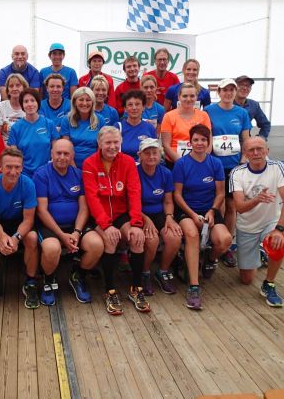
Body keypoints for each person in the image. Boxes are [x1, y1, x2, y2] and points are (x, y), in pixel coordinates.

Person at [83, 126, 147, 315]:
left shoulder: (128, 161)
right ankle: (109, 290)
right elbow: (92, 198)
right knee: (110, 239)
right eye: (108, 142)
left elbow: (134, 192)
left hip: (120, 213)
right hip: (98, 215)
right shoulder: (89, 163)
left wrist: (136, 223)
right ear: (99, 143)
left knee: (137, 238)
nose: (112, 146)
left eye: (116, 142)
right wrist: (106, 225)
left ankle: (136, 288)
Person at [34, 139, 104, 305]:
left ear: (72, 155)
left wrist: (77, 232)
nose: (62, 157)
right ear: (51, 154)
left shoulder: (79, 175)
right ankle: (48, 280)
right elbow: (42, 210)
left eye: (66, 153)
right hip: (50, 226)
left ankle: (78, 275)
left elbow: (84, 208)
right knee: (52, 248)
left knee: (96, 245)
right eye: (58, 153)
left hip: (75, 225)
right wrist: (61, 235)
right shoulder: (41, 174)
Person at [173, 124, 232, 311]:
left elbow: (220, 193)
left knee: (225, 239)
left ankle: (211, 260)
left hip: (209, 210)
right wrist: (192, 214)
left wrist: (212, 211)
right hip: (186, 210)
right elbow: (177, 195)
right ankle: (194, 286)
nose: (199, 143)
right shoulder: (181, 164)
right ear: (190, 142)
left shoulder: (215, 163)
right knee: (192, 234)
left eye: (203, 140)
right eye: (196, 140)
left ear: (208, 142)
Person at [230, 136, 284, 307]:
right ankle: (263, 253)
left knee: (280, 240)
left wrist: (279, 229)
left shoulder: (277, 167)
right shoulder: (237, 173)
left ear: (267, 151)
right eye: (251, 150)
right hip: (247, 227)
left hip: (270, 223)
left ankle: (269, 283)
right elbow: (240, 208)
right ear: (245, 153)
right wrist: (257, 199)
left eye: (260, 149)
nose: (256, 153)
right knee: (246, 279)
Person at [0, 148, 39, 315]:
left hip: (19, 222)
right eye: (8, 167)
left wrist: (16, 238)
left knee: (32, 237)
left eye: (17, 167)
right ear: (0, 167)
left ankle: (30, 282)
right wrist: (3, 236)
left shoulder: (28, 184)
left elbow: (28, 220)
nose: (13, 171)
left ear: (22, 167)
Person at [206, 78, 252, 267]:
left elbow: (246, 139)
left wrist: (243, 160)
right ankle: (216, 241)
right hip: (215, 166)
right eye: (225, 90)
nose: (228, 93)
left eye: (232, 90)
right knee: (220, 205)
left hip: (234, 166)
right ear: (219, 92)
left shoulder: (242, 113)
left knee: (232, 206)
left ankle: (227, 247)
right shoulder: (208, 111)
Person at [136, 138, 183, 295]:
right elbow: (131, 204)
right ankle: (145, 273)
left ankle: (162, 271)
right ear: (139, 155)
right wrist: (146, 219)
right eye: (147, 153)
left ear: (160, 155)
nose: (151, 156)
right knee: (152, 240)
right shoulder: (134, 173)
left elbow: (168, 201)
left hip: (160, 213)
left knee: (174, 237)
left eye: (154, 153)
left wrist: (169, 217)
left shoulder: (166, 173)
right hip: (139, 213)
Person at [8, 88, 60, 177]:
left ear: (38, 103)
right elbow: (15, 156)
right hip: (24, 174)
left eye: (32, 100)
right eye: (26, 101)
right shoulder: (15, 128)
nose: (29, 104)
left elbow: (56, 150)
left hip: (46, 173)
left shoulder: (49, 124)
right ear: (22, 105)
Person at [161, 83, 212, 168]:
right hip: (175, 163)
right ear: (179, 97)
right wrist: (182, 163)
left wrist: (201, 160)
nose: (188, 99)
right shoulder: (168, 116)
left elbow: (209, 141)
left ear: (196, 97)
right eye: (185, 96)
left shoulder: (204, 115)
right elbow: (166, 145)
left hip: (200, 163)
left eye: (192, 96)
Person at [59, 87, 105, 169]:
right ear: (74, 102)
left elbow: (101, 148)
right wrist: (74, 169)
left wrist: (93, 167)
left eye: (88, 100)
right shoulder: (66, 120)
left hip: (94, 165)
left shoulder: (100, 120)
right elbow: (66, 148)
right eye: (81, 100)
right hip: (70, 164)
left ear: (92, 102)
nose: (84, 103)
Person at [115, 90, 157, 162]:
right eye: (130, 105)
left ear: (143, 107)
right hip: (124, 166)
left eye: (137, 104)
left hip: (144, 167)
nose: (134, 108)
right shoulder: (118, 127)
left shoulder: (150, 128)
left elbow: (155, 152)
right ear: (125, 108)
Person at [234, 75, 271, 139]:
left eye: (248, 86)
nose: (245, 88)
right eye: (241, 85)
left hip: (246, 141)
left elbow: (265, 124)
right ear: (234, 87)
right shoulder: (226, 104)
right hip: (227, 141)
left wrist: (260, 138)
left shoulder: (254, 105)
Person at [0, 73, 28, 143]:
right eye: (11, 86)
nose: (14, 88)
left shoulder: (29, 106)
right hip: (5, 145)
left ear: (24, 88)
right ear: (8, 91)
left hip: (24, 144)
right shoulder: (0, 107)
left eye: (18, 85)